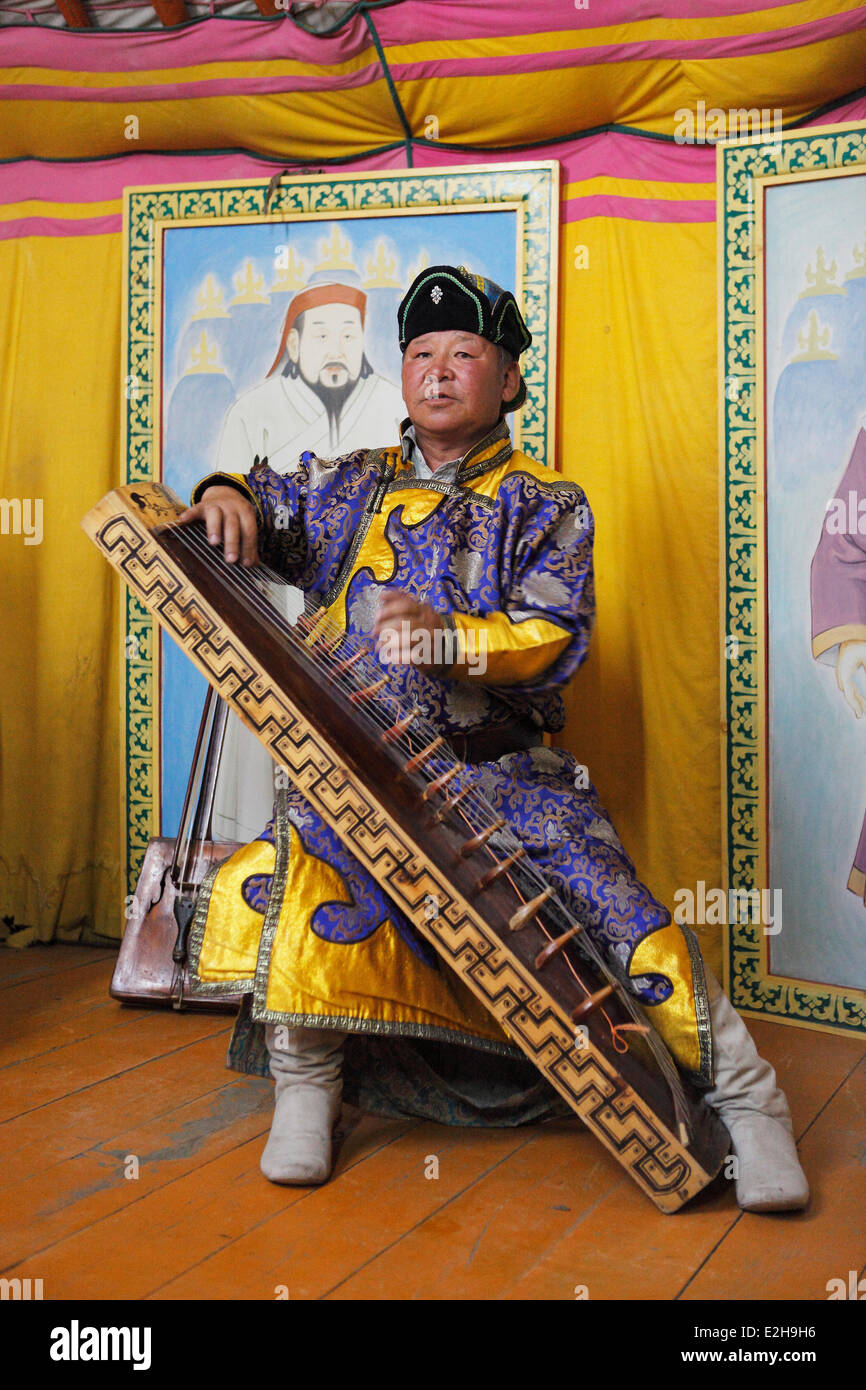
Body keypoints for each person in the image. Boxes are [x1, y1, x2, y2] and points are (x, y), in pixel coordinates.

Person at [180, 264, 809, 1213]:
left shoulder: (548, 502)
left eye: (464, 353)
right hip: (360, 778)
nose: (437, 371)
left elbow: (556, 637)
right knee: (303, 866)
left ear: (507, 378)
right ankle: (310, 1090)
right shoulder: (351, 483)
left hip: (505, 778)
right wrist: (223, 489)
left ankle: (751, 1106)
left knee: (622, 917)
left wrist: (447, 639)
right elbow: (263, 507)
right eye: (420, 353)